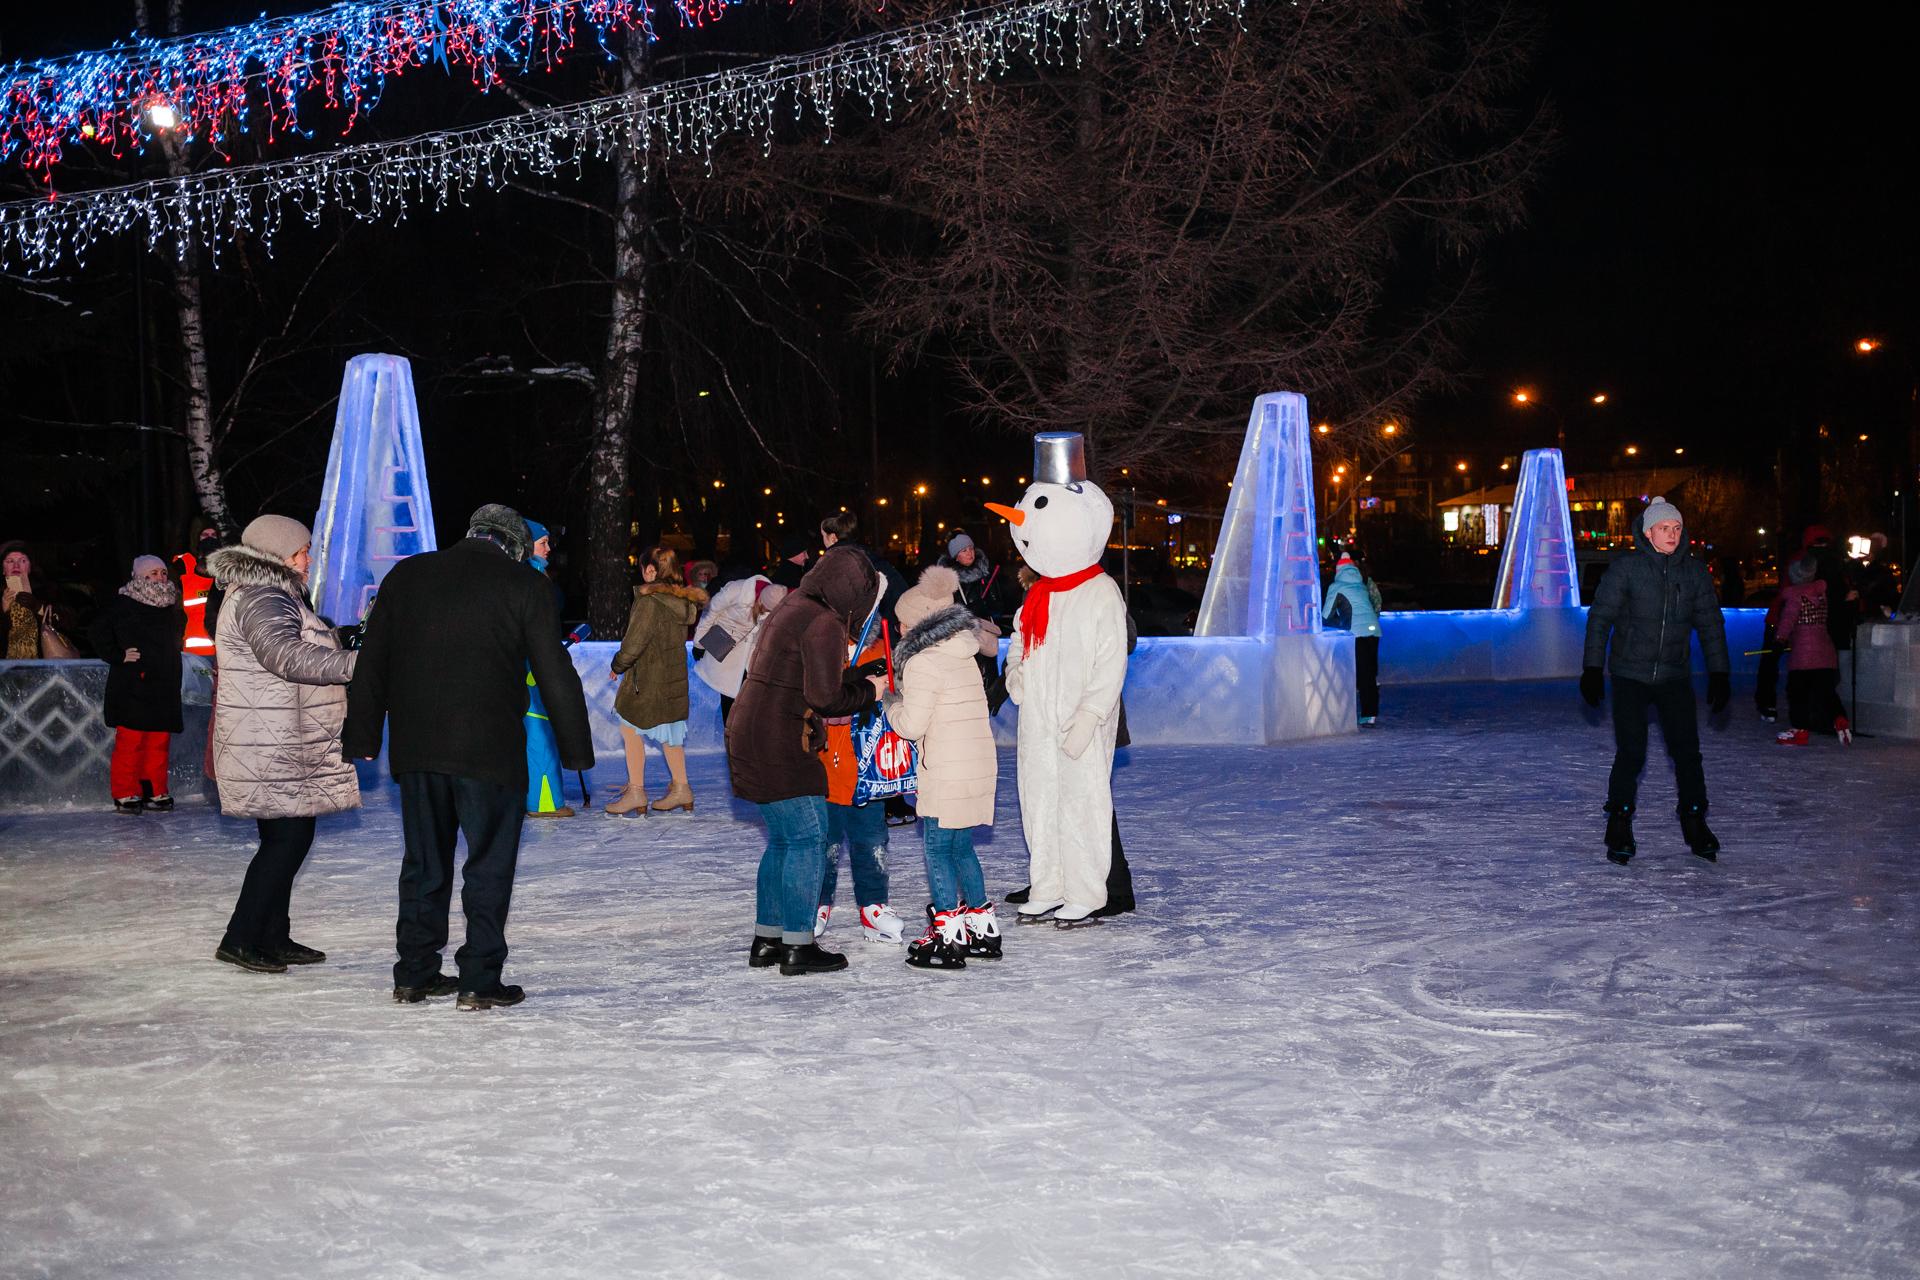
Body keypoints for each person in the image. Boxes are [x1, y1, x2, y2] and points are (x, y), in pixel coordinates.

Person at [344, 504, 592, 1010]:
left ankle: (414, 974)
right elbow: (554, 672)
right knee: (488, 864)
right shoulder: (524, 584)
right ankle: (479, 979)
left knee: (423, 863)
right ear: (516, 545)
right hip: (490, 751)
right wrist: (575, 751)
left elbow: (373, 658)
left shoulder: (408, 573)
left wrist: (363, 734)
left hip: (417, 749)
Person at [206, 516, 360, 974]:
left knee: (284, 837)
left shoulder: (272, 593)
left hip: (274, 733)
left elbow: (296, 641)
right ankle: (240, 937)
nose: (308, 558)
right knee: (287, 841)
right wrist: (359, 663)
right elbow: (286, 656)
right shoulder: (262, 594)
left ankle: (272, 934)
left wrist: (339, 637)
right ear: (279, 552)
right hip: (270, 738)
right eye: (302, 550)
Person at [727, 544, 886, 976]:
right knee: (807, 840)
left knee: (783, 839)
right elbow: (825, 697)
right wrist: (873, 691)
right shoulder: (825, 621)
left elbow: (808, 675)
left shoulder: (797, 605)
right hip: (781, 738)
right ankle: (799, 944)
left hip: (751, 730)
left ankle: (768, 939)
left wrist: (862, 677)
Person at [1581, 496, 1730, 865]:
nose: (1672, 535)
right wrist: (1591, 669)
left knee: (1687, 753)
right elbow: (1600, 618)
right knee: (1632, 752)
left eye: (1677, 528)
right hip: (1630, 674)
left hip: (1674, 676)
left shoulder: (1694, 573)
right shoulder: (1627, 569)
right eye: (1665, 528)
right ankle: (1619, 821)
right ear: (1648, 532)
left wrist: (1720, 672)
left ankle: (1694, 819)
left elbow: (1710, 624)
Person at [888, 565, 1005, 968]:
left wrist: (891, 705)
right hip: (975, 763)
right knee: (961, 849)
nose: (900, 631)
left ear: (922, 624)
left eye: (904, 624)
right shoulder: (962, 654)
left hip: (946, 768)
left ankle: (948, 935)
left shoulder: (923, 663)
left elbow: (912, 725)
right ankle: (983, 927)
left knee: (937, 849)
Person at [813, 590, 907, 947]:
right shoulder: (823, 649)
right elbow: (818, 701)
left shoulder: (880, 651)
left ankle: (873, 907)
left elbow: (897, 702)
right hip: (824, 768)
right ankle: (817, 904)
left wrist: (889, 687)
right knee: (824, 845)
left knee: (871, 843)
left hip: (868, 772)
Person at [606, 546, 707, 815]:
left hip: (648, 679)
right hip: (672, 679)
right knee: (670, 733)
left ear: (650, 570)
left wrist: (619, 664)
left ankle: (637, 792)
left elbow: (635, 642)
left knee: (630, 729)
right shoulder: (682, 602)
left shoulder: (650, 601)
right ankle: (681, 788)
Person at [88, 555, 186, 813]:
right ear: (139, 576)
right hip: (133, 684)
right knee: (131, 741)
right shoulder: (123, 603)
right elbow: (97, 630)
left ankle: (154, 789)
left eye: (163, 573)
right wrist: (118, 655)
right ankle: (125, 792)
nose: (160, 578)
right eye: (153, 573)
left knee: (158, 740)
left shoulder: (171, 605)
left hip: (164, 684)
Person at [520, 519, 574, 818]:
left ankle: (536, 798)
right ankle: (542, 802)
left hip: (532, 666)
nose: (549, 548)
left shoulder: (532, 574)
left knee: (537, 730)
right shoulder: (531, 578)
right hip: (533, 670)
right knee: (538, 730)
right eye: (544, 543)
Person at [1773, 553, 1849, 746]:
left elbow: (1788, 620)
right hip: (1825, 652)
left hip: (1803, 656)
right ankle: (1840, 720)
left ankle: (1800, 730)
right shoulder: (1821, 594)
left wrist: (1780, 639)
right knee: (1827, 691)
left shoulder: (1795, 597)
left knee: (1797, 693)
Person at [691, 570, 771, 725]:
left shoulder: (774, 597)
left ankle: (741, 740)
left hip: (749, 656)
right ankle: (731, 739)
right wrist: (698, 643)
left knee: (747, 702)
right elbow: (710, 612)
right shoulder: (736, 590)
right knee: (728, 695)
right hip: (723, 643)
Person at [1322, 549, 1383, 726]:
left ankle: (1363, 713)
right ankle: (1370, 710)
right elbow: (1374, 602)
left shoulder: (1337, 587)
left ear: (1338, 571)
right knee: (1369, 673)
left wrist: (1333, 623)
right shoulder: (1361, 585)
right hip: (1374, 631)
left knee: (1357, 674)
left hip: (1357, 633)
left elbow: (1326, 615)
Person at [820, 511, 907, 628]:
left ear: (833, 538)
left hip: (859, 637)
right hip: (889, 631)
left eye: (823, 536)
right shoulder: (872, 557)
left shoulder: (832, 564)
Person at [2, 540, 78, 659]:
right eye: (10, 561)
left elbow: (71, 622)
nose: (16, 565)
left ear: (30, 567)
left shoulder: (48, 590)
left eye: (22, 560)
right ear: (3, 568)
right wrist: (5, 612)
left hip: (43, 667)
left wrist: (39, 607)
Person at [939, 531, 1011, 626]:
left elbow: (999, 607)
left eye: (971, 548)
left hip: (986, 629)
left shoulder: (986, 574)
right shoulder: (948, 580)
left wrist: (986, 606)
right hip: (962, 632)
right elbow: (945, 612)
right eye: (964, 550)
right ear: (956, 557)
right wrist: (970, 610)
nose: (969, 553)